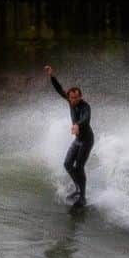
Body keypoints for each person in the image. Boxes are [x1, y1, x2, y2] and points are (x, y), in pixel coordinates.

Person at [45, 65, 94, 207]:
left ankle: (82, 196)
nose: (73, 100)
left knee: (79, 167)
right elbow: (59, 89)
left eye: (76, 98)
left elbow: (86, 118)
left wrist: (78, 125)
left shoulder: (86, 106)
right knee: (67, 164)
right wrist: (51, 75)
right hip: (78, 140)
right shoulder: (69, 100)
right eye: (71, 98)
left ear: (80, 97)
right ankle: (78, 187)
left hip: (87, 140)